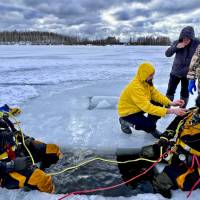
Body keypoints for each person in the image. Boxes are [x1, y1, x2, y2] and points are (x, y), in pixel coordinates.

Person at [117, 94, 200, 198]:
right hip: (177, 149)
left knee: (162, 181)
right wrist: (165, 138)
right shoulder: (192, 112)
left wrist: (190, 159)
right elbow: (175, 123)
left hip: (194, 162)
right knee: (146, 152)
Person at [0, 108, 63, 193]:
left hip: (17, 150)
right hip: (4, 170)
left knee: (52, 150)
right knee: (42, 180)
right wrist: (10, 166)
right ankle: (50, 194)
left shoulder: (1, 115)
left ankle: (42, 170)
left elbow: (13, 132)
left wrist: (24, 139)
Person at [117, 62, 186, 138]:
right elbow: (148, 108)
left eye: (153, 74)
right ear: (144, 75)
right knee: (149, 125)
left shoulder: (146, 82)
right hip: (128, 112)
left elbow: (155, 94)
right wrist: (173, 111)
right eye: (150, 75)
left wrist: (171, 103)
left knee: (158, 103)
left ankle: (150, 127)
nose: (152, 77)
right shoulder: (135, 87)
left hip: (138, 108)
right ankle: (125, 122)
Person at [165, 26, 200, 106]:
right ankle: (167, 108)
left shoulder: (197, 43)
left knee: (184, 93)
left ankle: (182, 109)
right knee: (170, 91)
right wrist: (176, 47)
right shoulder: (177, 42)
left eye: (188, 39)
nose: (185, 40)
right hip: (175, 73)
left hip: (187, 75)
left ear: (191, 38)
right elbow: (167, 54)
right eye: (184, 38)